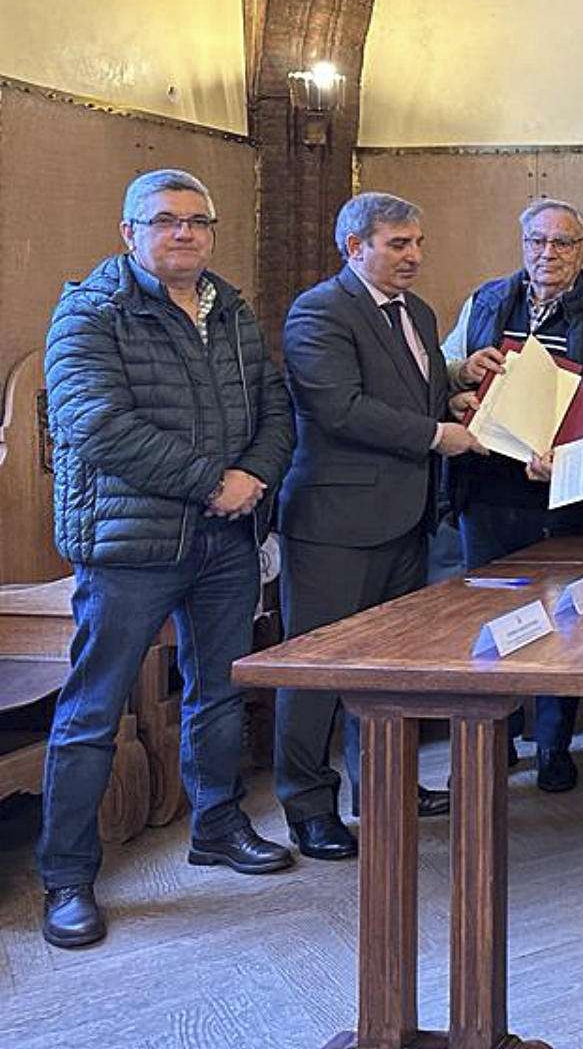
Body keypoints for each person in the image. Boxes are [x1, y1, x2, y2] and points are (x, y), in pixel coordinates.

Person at [38, 170, 297, 948]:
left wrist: (256, 475)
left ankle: (216, 827)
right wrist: (209, 481)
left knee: (217, 694)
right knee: (92, 712)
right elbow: (95, 424)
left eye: (196, 222)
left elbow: (275, 405)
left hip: (225, 540)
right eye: (164, 221)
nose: (183, 233)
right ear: (129, 232)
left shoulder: (232, 309)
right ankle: (67, 879)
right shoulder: (89, 313)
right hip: (130, 546)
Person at [274, 193, 483, 860]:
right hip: (334, 523)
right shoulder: (319, 311)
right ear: (354, 246)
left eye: (418, 242)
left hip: (405, 518)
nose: (414, 256)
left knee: (390, 669)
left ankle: (384, 785)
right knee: (316, 669)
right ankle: (308, 806)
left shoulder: (418, 312)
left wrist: (456, 399)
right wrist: (437, 434)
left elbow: (410, 398)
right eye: (397, 244)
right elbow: (339, 410)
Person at [440, 198, 583, 793]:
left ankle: (552, 745)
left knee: (563, 623)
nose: (547, 254)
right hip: (487, 485)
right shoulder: (485, 299)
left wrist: (567, 461)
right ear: (522, 244)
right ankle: (493, 742)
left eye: (562, 244)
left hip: (561, 494)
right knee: (488, 619)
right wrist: (461, 376)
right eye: (536, 242)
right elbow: (445, 368)